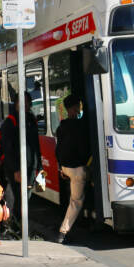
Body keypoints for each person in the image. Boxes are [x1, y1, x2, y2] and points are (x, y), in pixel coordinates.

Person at [0, 92, 40, 231]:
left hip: (31, 166)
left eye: (28, 102)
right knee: (19, 199)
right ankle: (16, 228)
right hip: (16, 168)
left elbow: (35, 144)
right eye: (24, 102)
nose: (27, 105)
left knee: (26, 199)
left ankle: (19, 226)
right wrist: (16, 169)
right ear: (16, 103)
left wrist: (39, 166)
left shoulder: (31, 119)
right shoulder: (10, 122)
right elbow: (8, 148)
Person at [55, 94, 91, 244]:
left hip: (65, 168)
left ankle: (86, 219)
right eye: (79, 106)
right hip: (77, 169)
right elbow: (84, 150)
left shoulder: (61, 126)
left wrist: (60, 167)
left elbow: (58, 150)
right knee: (76, 201)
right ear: (75, 108)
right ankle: (63, 232)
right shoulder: (81, 126)